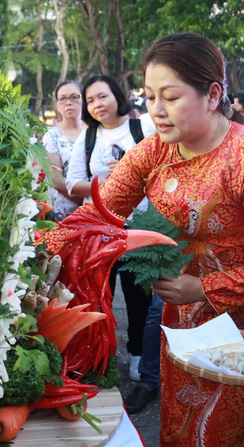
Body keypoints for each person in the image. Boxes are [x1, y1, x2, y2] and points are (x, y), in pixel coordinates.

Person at [54, 32, 244, 446]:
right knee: (184, 423)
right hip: (183, 318)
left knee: (232, 430)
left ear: (212, 95)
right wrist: (32, 251)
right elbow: (95, 217)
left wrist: (204, 288)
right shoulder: (154, 151)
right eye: (149, 96)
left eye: (170, 97)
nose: (156, 111)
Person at [66, 74, 155, 383]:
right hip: (100, 231)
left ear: (117, 96)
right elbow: (71, 182)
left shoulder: (142, 128)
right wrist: (103, 183)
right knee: (98, 295)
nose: (97, 104)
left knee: (138, 296)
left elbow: (168, 163)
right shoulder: (88, 138)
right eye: (90, 100)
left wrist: (134, 167)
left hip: (139, 227)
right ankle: (95, 354)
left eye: (102, 96)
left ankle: (138, 356)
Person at [41, 80, 86, 221]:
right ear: (57, 105)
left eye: (74, 97)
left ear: (83, 99)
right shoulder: (52, 136)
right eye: (63, 99)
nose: (68, 102)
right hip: (67, 214)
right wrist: (87, 202)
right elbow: (57, 181)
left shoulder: (97, 131)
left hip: (101, 210)